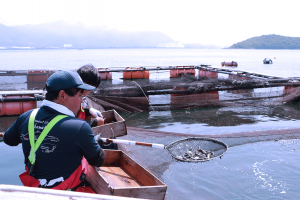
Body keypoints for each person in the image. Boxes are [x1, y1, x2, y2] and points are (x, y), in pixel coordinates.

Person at [3, 70, 105, 193]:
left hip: (33, 192)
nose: (81, 101)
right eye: (79, 96)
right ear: (62, 95)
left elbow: (8, 139)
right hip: (65, 193)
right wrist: (95, 141)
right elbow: (98, 160)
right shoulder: (80, 127)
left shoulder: (26, 117)